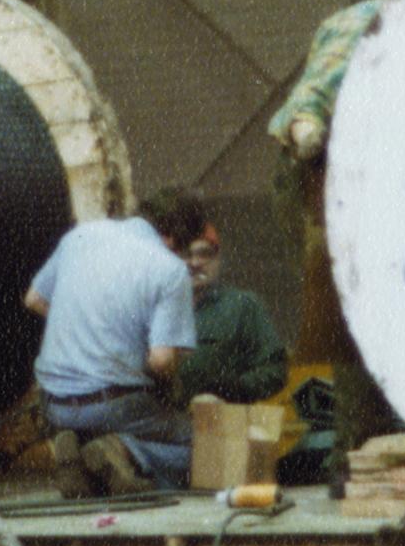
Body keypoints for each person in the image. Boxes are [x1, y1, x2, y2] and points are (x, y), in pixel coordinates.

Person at [271, 0, 405, 456]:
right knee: (343, 316)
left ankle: (395, 437)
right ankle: (337, 449)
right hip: (329, 182)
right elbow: (309, 101)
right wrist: (310, 132)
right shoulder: (365, 24)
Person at [25, 185, 205, 493]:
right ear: (174, 239)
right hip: (115, 404)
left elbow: (34, 299)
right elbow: (161, 361)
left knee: (110, 458)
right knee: (201, 449)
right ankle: (124, 452)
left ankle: (78, 460)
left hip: (54, 403)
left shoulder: (79, 237)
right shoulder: (169, 268)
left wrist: (86, 331)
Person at [179, 223, 287, 405]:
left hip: (226, 424)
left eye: (205, 254)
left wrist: (232, 390)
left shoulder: (242, 306)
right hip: (165, 424)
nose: (195, 263)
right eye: (186, 254)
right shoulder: (156, 308)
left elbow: (275, 370)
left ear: (218, 260)